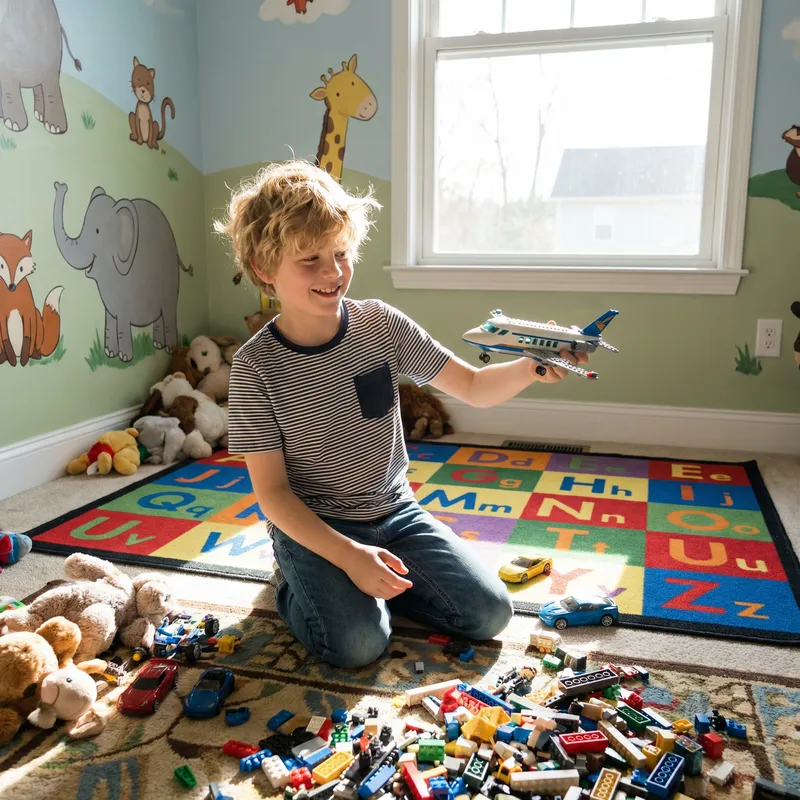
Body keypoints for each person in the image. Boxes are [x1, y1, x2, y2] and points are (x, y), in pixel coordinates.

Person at [214, 160, 589, 668]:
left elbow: (473, 386)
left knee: (491, 613)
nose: (333, 272)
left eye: (341, 253)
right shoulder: (255, 366)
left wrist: (531, 367)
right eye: (310, 260)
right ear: (264, 268)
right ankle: (293, 582)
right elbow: (274, 495)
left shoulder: (381, 324)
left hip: (395, 512)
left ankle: (374, 585)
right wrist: (348, 556)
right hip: (315, 525)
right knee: (357, 646)